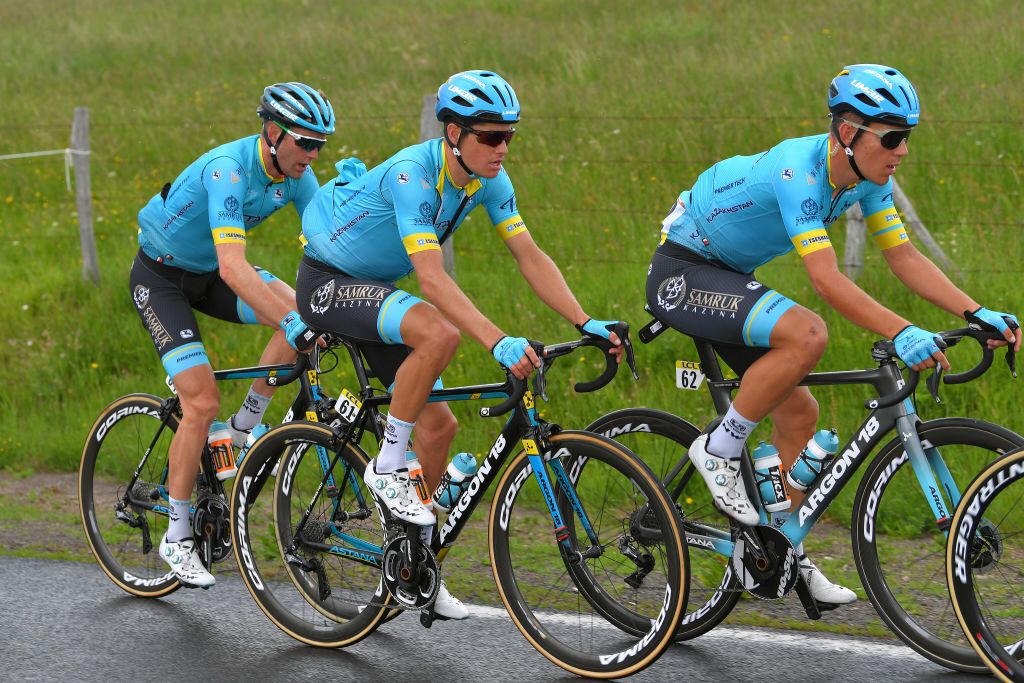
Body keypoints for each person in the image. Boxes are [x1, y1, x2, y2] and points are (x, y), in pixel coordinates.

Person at [646, 64, 1019, 605]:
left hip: (728, 277)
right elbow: (824, 280)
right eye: (891, 138)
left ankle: (780, 553)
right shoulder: (800, 170)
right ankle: (719, 450)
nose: (902, 151)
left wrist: (976, 311)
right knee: (808, 335)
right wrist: (903, 329)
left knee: (800, 413)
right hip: (683, 271)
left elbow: (904, 256)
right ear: (848, 133)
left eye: (907, 138)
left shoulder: (869, 182)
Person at [297, 69, 622, 620]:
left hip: (372, 289)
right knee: (438, 331)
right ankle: (386, 464)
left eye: (509, 136)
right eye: (490, 136)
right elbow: (433, 280)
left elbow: (530, 256)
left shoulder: (488, 179)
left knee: (442, 425)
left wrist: (584, 320)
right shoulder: (413, 177)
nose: (502, 148)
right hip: (327, 282)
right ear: (453, 134)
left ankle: (413, 564)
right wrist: (496, 340)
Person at [130, 82, 335, 587]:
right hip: (162, 280)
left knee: (309, 308)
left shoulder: (295, 175)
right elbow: (233, 266)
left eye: (320, 145)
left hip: (209, 274)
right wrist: (294, 323)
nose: (312, 155)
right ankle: (176, 535)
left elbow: (334, 240)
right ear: (272, 133)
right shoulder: (229, 170)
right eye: (304, 143)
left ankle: (243, 430)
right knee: (200, 403)